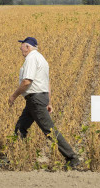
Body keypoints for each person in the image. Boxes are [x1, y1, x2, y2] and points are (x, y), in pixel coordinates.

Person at [8, 36, 80, 168]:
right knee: (20, 127)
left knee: (49, 130)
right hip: (36, 99)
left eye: (22, 46)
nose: (20, 48)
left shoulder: (31, 58)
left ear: (28, 47)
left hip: (35, 99)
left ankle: (72, 157)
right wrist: (48, 101)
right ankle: (12, 156)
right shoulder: (42, 59)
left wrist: (13, 96)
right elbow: (47, 83)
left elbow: (27, 81)